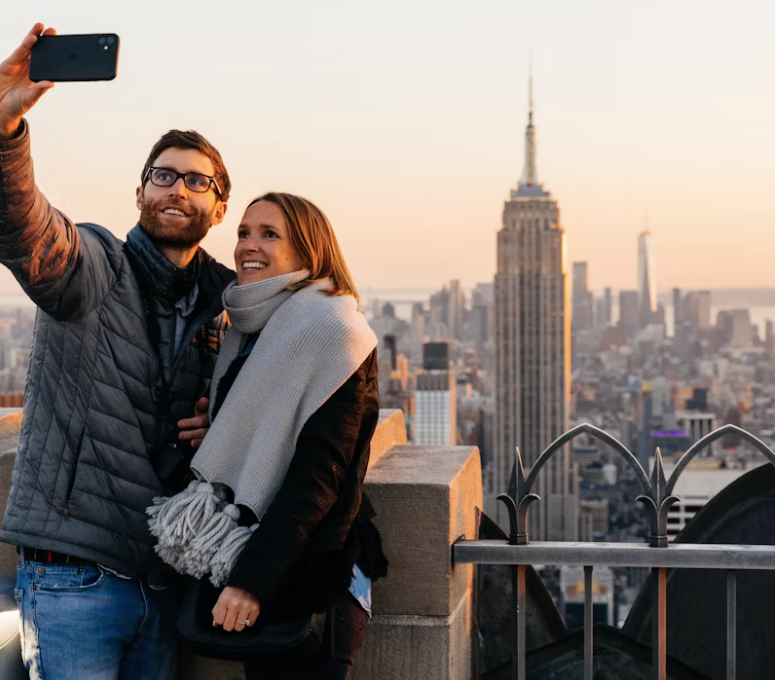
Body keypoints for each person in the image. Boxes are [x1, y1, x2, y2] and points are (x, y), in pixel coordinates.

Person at [0, 24, 236, 679]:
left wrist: (223, 424)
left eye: (197, 182)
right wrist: (5, 131)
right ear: (139, 193)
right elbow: (29, 232)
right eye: (163, 176)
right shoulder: (97, 263)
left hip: (164, 584)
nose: (177, 190)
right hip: (75, 579)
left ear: (219, 208)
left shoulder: (231, 305)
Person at [149, 192, 388, 679]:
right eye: (242, 232)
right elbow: (270, 430)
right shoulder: (251, 328)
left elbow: (318, 478)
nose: (247, 246)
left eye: (269, 234)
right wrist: (221, 429)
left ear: (308, 252)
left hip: (306, 572)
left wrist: (251, 582)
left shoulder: (332, 332)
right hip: (258, 550)